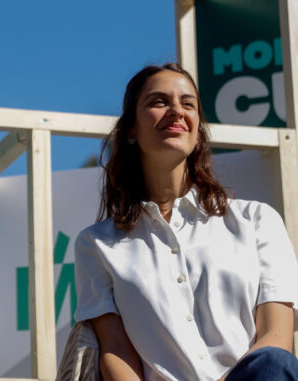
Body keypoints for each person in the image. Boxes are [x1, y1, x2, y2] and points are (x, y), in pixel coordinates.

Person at [73, 63, 298, 381]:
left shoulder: (259, 221)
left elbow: (277, 338)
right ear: (132, 131)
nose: (176, 111)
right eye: (159, 102)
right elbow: (115, 352)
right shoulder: (96, 244)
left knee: (274, 364)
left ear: (198, 132)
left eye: (187, 103)